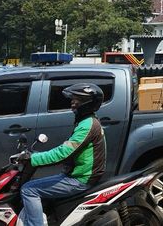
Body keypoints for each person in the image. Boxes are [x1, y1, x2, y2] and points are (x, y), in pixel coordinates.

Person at [19, 83, 106, 226]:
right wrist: (36, 155)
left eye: (77, 99)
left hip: (80, 179)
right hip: (76, 174)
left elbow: (63, 153)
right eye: (73, 99)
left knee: (29, 189)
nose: (73, 102)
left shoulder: (87, 125)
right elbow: (67, 149)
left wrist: (33, 158)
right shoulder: (88, 121)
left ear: (87, 102)